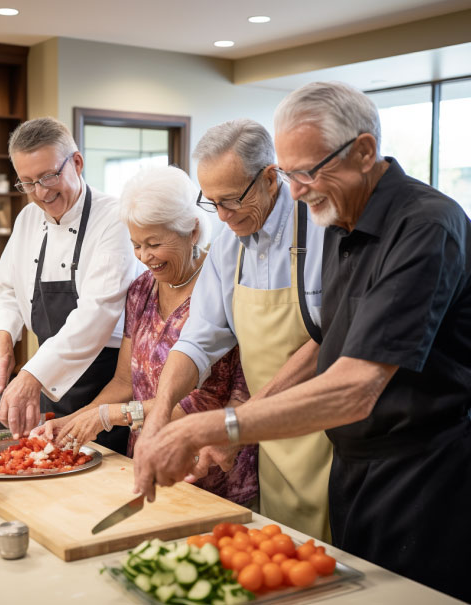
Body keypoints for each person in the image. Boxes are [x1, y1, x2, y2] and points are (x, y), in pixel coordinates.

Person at [133, 82, 471, 604]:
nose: (295, 192)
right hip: (352, 463)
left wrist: (220, 425)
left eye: (307, 172)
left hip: (420, 473)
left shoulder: (427, 226)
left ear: (364, 151)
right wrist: (195, 423)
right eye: (291, 174)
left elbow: (356, 386)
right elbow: (316, 339)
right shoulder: (343, 221)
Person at [131, 119, 331, 540]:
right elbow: (198, 339)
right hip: (270, 440)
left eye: (232, 200)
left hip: (327, 436)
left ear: (271, 178)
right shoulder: (228, 244)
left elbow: (323, 345)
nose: (222, 215)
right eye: (212, 202)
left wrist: (238, 426)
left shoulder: (322, 232)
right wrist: (160, 411)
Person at [33, 165, 257, 506]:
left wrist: (109, 417)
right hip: (149, 460)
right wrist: (76, 421)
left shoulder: (221, 289)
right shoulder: (140, 291)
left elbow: (202, 402)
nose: (143, 257)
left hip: (210, 469)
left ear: (193, 231)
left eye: (154, 243)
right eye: (136, 244)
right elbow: (124, 381)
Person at [0, 117, 136, 455]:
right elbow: (9, 290)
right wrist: (2, 337)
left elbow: (97, 314)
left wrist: (31, 375)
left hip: (105, 387)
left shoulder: (114, 219)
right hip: (50, 378)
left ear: (77, 163)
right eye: (27, 182)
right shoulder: (27, 219)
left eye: (49, 176)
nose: (40, 192)